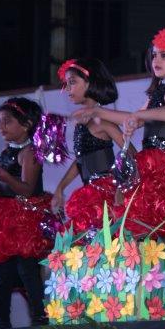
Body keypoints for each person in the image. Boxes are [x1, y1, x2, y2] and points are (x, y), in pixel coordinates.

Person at [75, 27, 165, 242]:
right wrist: (98, 112)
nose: (156, 60)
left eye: (164, 55)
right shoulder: (156, 94)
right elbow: (133, 118)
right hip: (152, 168)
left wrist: (138, 115)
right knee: (146, 227)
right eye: (154, 55)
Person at [0, 97, 50, 328]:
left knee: (28, 270)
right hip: (5, 219)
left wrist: (5, 176)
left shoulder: (30, 153)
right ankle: (2, 323)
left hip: (25, 219)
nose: (1, 127)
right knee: (3, 273)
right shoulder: (7, 152)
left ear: (26, 124)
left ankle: (39, 318)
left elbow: (27, 189)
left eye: (7, 121)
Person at [51, 59, 128, 237]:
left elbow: (131, 154)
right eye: (66, 83)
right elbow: (81, 160)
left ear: (90, 83)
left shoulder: (103, 122)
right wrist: (61, 187)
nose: (67, 89)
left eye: (72, 82)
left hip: (106, 197)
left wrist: (120, 188)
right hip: (89, 192)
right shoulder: (82, 123)